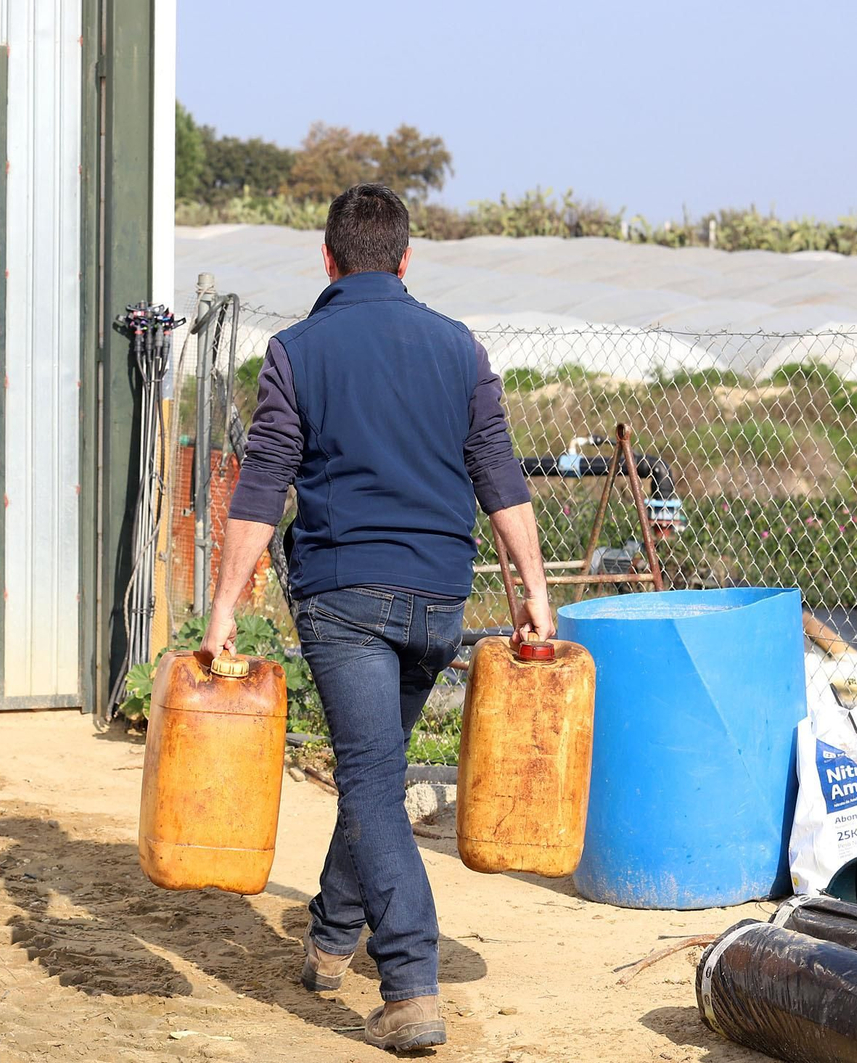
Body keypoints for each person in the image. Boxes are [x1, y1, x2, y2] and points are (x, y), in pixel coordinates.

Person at [201, 183, 553, 1052]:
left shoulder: (294, 352)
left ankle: (408, 982)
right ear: (405, 258)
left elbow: (260, 492)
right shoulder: (460, 349)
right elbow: (501, 480)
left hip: (344, 598)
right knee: (376, 769)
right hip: (439, 602)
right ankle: (329, 936)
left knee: (368, 782)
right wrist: (534, 592)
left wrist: (223, 608)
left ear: (327, 259)